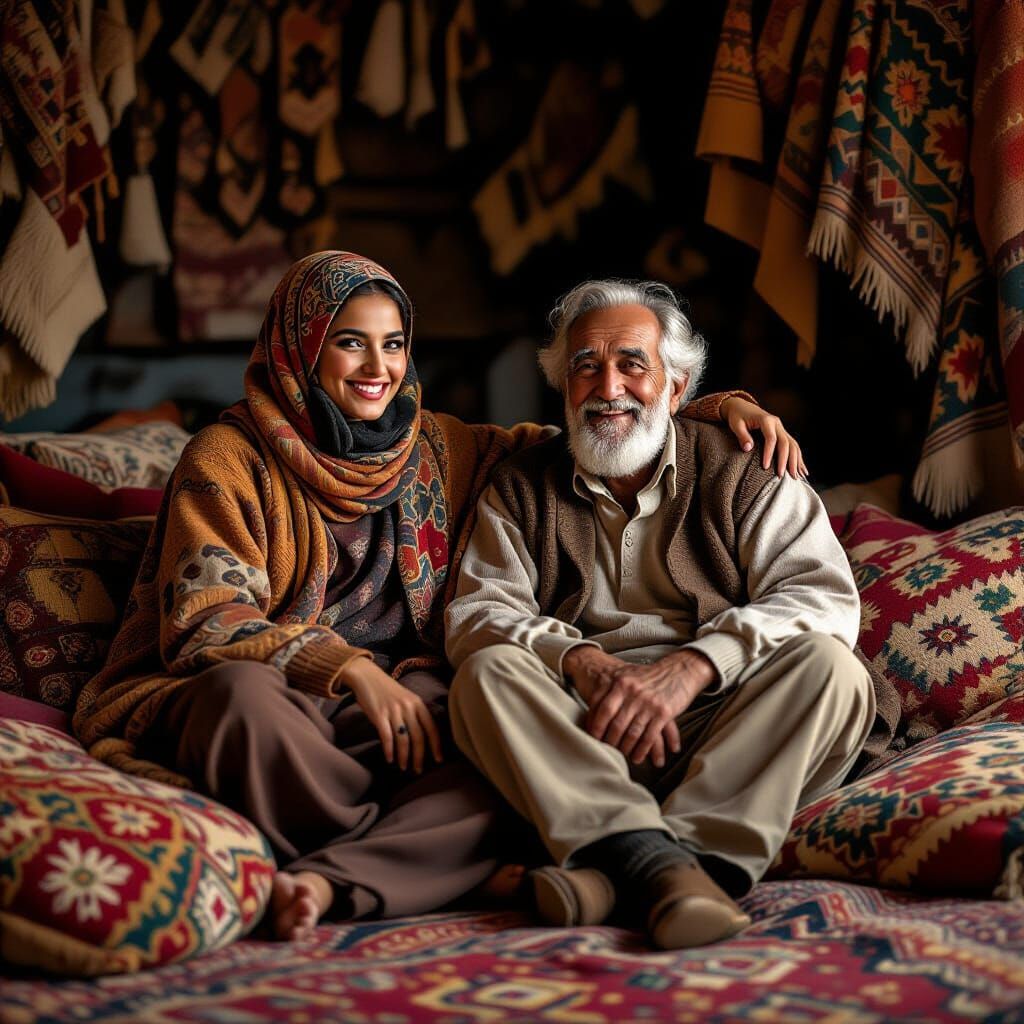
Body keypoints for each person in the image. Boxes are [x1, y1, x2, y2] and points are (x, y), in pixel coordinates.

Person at [74, 253, 805, 942]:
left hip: (404, 716)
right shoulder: (227, 458)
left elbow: (595, 427)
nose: (378, 368)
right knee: (240, 702)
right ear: (300, 348)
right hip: (288, 706)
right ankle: (445, 861)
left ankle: (344, 877)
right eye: (350, 344)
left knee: (502, 739)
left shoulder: (441, 447)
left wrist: (711, 410)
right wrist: (349, 670)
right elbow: (207, 621)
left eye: (393, 345)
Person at [445, 279, 875, 951]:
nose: (607, 385)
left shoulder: (746, 465)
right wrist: (580, 662)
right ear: (563, 386)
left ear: (676, 390)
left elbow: (822, 600)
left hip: (729, 730)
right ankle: (669, 870)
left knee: (833, 669)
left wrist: (698, 665)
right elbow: (479, 610)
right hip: (585, 734)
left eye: (631, 364)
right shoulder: (521, 484)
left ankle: (621, 869)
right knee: (486, 673)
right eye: (585, 365)